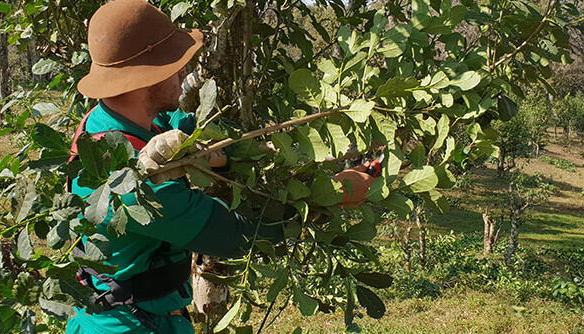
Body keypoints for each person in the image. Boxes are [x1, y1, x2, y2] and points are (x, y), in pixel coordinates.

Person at [65, 1, 376, 333]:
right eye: (173, 63)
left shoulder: (118, 121)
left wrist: (233, 154)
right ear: (145, 77)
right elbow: (235, 234)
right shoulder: (130, 179)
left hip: (147, 318)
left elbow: (191, 128)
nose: (184, 70)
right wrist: (332, 196)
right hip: (127, 326)